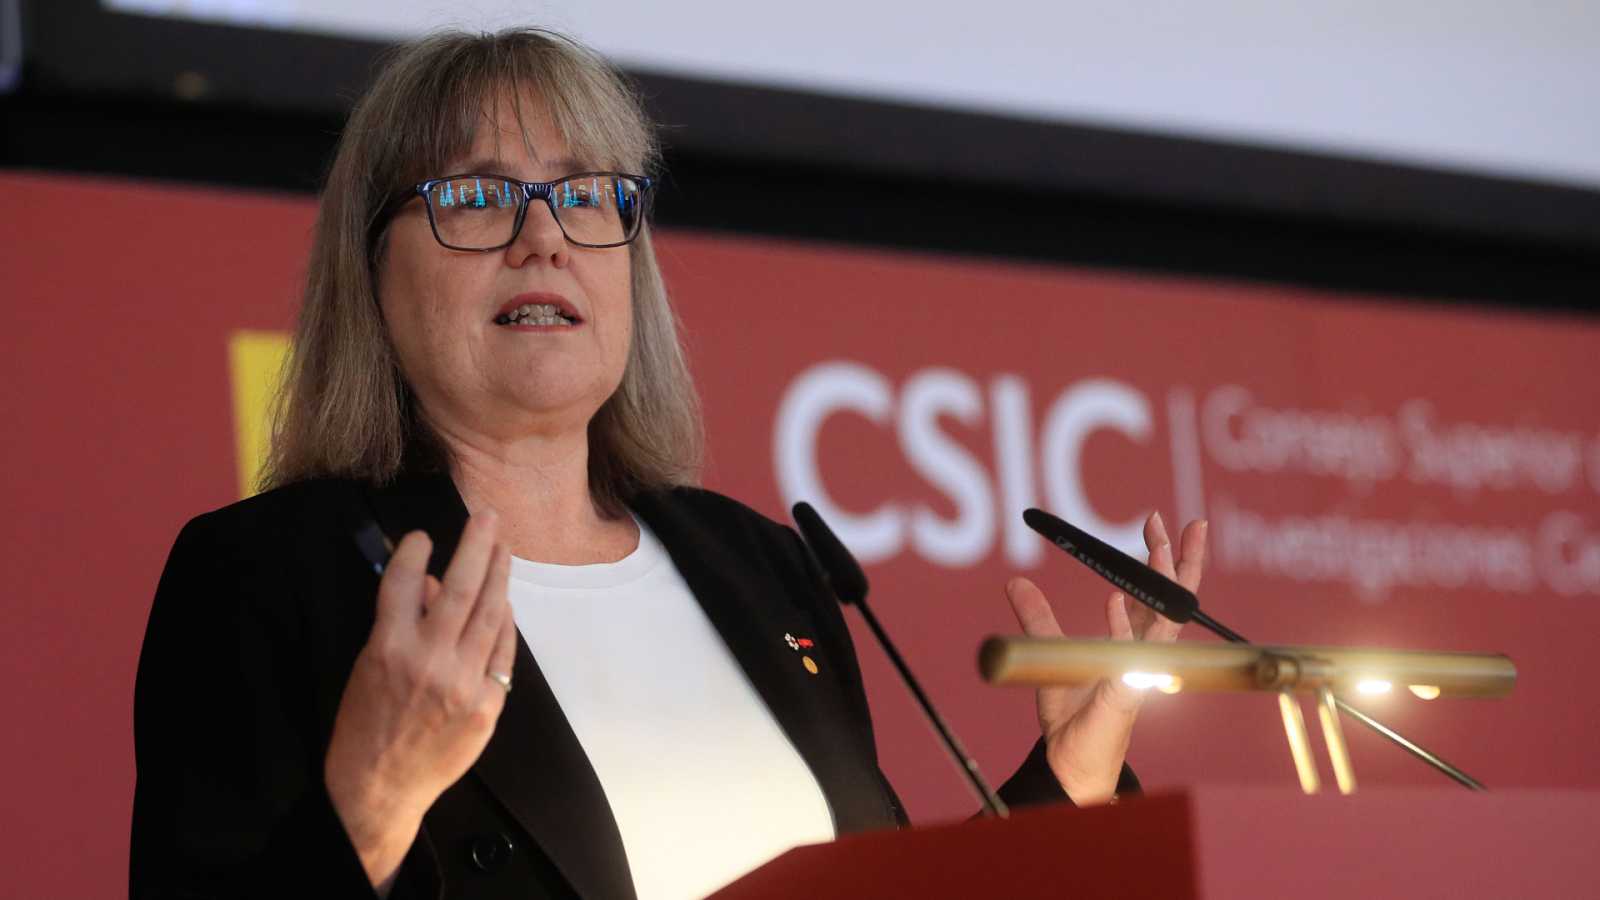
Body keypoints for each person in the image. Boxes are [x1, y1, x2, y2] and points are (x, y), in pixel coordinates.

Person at [130, 27, 1207, 900]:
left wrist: (1066, 781)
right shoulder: (276, 576)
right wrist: (372, 804)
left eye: (586, 195)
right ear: (371, 273)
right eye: (477, 196)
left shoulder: (766, 571)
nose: (544, 239)